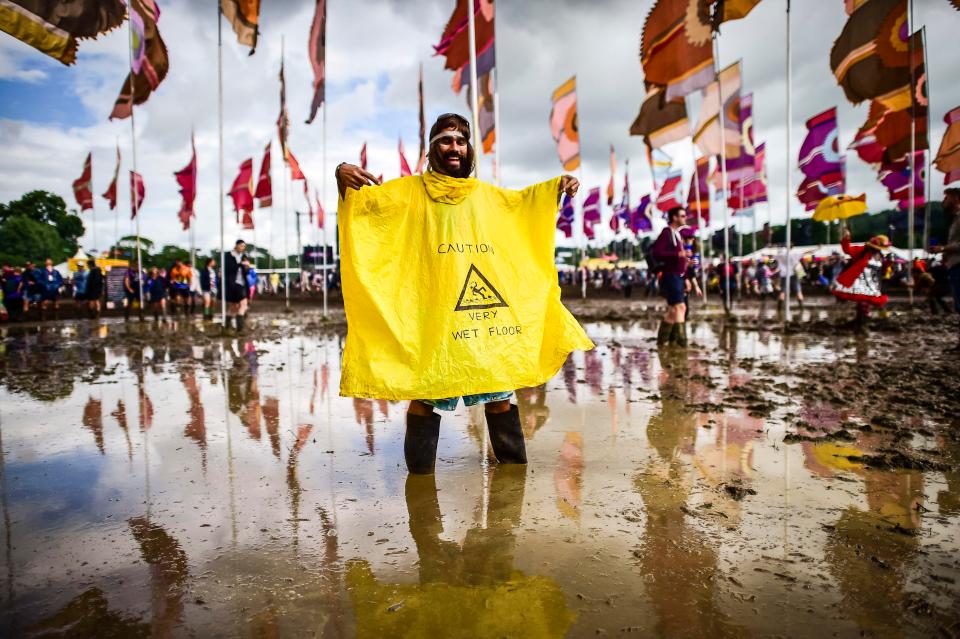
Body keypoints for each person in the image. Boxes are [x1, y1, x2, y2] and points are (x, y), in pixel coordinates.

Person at [335, 112, 586, 475]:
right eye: (445, 141)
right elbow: (363, 208)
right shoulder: (406, 193)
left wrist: (555, 188)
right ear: (431, 149)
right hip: (433, 323)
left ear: (469, 150)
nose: (454, 147)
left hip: (482, 322)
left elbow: (521, 206)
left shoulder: (486, 197)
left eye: (460, 141)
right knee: (424, 398)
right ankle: (420, 483)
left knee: (499, 397)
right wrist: (342, 173)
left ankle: (513, 476)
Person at [831, 228, 892, 326]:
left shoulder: (881, 256)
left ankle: (880, 320)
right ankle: (862, 321)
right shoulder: (863, 251)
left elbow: (882, 270)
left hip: (872, 282)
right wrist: (846, 238)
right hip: (859, 280)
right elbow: (848, 250)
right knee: (863, 301)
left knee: (876, 301)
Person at [651, 207, 691, 347]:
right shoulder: (667, 233)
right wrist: (677, 255)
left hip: (678, 276)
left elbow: (681, 261)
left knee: (673, 310)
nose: (685, 218)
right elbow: (657, 252)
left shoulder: (677, 235)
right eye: (682, 215)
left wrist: (686, 278)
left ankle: (662, 341)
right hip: (670, 276)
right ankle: (682, 343)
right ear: (674, 217)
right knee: (680, 308)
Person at [931, 188, 960, 347]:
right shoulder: (955, 219)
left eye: (946, 197)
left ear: (956, 198)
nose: (943, 201)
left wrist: (945, 248)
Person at [224, 240, 250, 330]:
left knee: (238, 306)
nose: (243, 248)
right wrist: (240, 264)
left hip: (241, 283)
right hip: (232, 284)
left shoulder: (243, 256)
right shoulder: (229, 255)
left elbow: (245, 272)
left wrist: (246, 267)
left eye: (244, 246)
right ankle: (237, 328)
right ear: (236, 245)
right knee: (237, 306)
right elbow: (228, 268)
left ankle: (231, 326)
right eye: (242, 246)